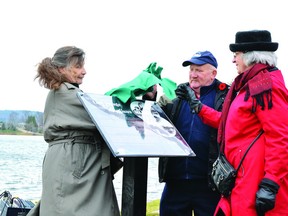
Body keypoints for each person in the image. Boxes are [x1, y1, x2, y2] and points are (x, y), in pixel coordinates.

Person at [184, 30, 288, 215]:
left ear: (250, 57)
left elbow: (280, 137)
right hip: (241, 178)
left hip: (254, 181)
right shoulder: (250, 85)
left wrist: (271, 183)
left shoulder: (264, 85)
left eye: (236, 55)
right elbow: (228, 123)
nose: (233, 60)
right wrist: (198, 107)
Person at [27, 46, 120, 216]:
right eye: (78, 66)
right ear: (62, 69)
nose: (84, 71)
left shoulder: (67, 92)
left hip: (79, 161)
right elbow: (102, 116)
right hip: (75, 163)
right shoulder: (63, 93)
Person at [158, 50, 230, 216]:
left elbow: (227, 126)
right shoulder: (178, 95)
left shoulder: (225, 95)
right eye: (191, 70)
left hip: (209, 184)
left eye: (199, 70)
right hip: (176, 182)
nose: (193, 75)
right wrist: (151, 98)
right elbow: (156, 124)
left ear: (213, 73)